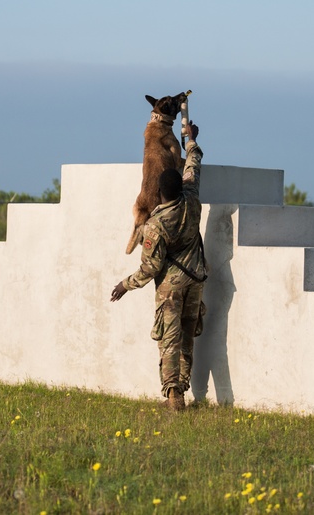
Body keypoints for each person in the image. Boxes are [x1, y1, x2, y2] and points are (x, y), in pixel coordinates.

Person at [111, 120, 207, 412]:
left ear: (159, 193)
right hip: (197, 279)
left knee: (170, 338)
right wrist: (190, 139)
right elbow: (193, 164)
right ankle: (184, 384)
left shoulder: (155, 226)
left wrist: (125, 285)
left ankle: (173, 392)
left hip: (171, 288)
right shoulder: (191, 201)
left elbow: (151, 268)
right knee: (188, 334)